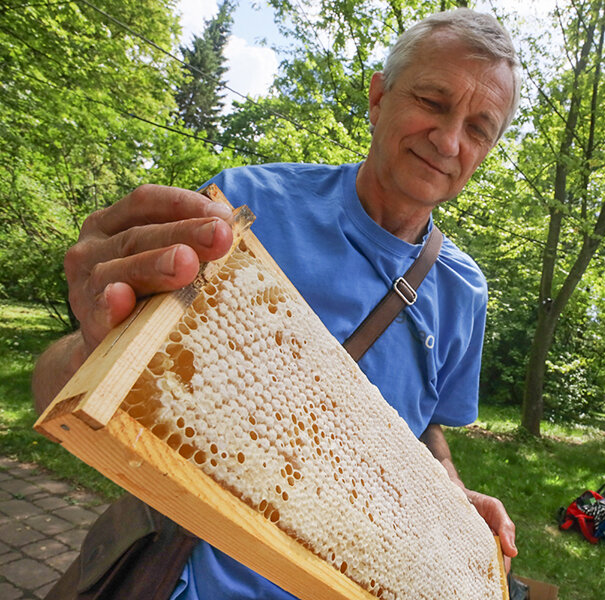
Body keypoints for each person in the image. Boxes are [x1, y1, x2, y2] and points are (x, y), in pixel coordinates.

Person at [33, 7, 521, 599]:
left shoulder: (463, 291)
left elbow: (424, 429)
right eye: (434, 101)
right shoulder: (243, 208)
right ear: (378, 97)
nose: (448, 141)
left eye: (478, 128)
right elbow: (56, 391)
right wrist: (97, 342)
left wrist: (447, 497)